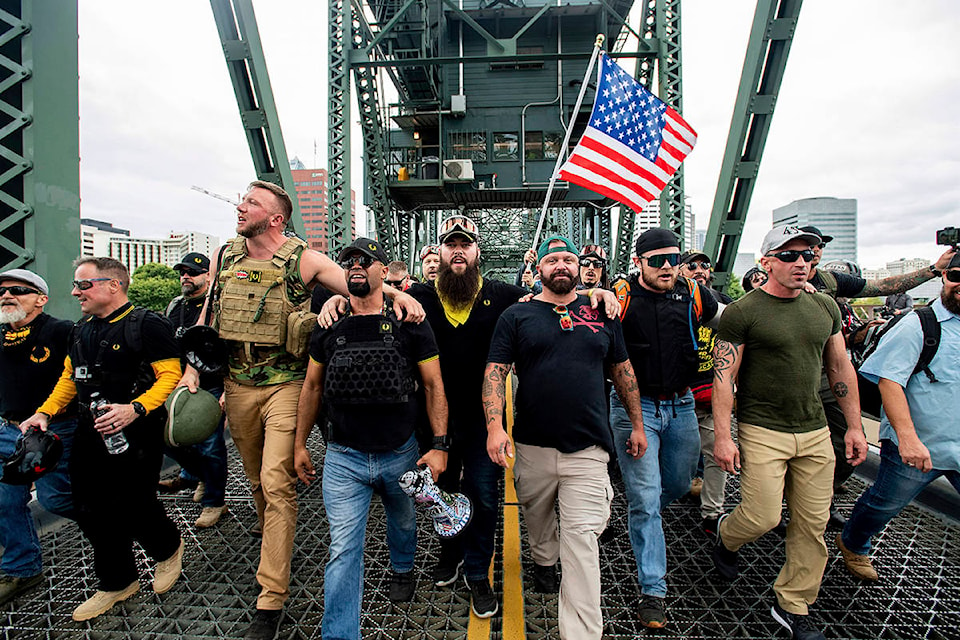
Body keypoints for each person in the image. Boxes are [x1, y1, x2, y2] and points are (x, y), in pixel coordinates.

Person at [316, 215, 619, 618]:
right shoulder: (416, 296)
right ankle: (450, 552)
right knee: (438, 495)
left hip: (481, 420)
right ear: (439, 252)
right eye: (450, 244)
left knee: (482, 495)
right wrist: (337, 299)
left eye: (466, 244)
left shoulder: (507, 296)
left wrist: (597, 292)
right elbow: (364, 297)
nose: (458, 250)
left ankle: (478, 571)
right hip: (432, 419)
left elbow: (554, 298)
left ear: (478, 252)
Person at [176, 180, 423, 639]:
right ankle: (268, 531)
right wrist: (192, 370)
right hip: (237, 381)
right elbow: (208, 314)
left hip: (284, 383)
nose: (239, 205)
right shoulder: (225, 255)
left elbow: (355, 281)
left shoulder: (301, 257)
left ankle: (269, 599)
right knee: (256, 482)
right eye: (241, 198)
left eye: (251, 202)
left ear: (276, 217)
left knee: (276, 483)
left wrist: (396, 294)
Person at [711, 226, 869, 640]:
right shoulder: (743, 312)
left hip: (815, 430)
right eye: (789, 255)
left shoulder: (825, 309)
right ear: (766, 263)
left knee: (811, 525)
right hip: (763, 429)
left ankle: (793, 604)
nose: (801, 263)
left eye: (808, 255)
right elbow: (724, 377)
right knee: (761, 517)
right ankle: (728, 536)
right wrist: (724, 436)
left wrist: (854, 426)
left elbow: (839, 367)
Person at [483, 236, 645, 640]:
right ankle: (542, 560)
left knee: (582, 543)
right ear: (537, 269)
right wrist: (494, 425)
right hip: (534, 446)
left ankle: (582, 634)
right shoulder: (516, 317)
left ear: (579, 268)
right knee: (538, 525)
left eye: (568, 259)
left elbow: (623, 371)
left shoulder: (601, 311)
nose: (561, 265)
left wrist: (638, 424)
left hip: (589, 450)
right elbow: (494, 373)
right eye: (552, 259)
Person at [294, 238, 448, 640]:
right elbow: (312, 387)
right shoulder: (329, 325)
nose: (356, 265)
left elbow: (433, 385)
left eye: (366, 260)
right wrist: (298, 445)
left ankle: (402, 567)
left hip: (400, 452)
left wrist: (440, 445)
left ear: (384, 270)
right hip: (344, 457)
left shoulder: (411, 323)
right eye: (349, 261)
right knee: (344, 549)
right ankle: (340, 635)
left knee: (403, 521)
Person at [21, 257, 184, 622]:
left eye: (84, 284)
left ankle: (167, 547)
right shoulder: (81, 330)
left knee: (136, 502)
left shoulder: (146, 324)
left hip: (137, 432)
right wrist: (44, 412)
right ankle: (117, 581)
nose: (76, 292)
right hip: (90, 431)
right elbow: (69, 378)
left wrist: (135, 409)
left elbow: (169, 375)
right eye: (76, 285)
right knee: (90, 506)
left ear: (113, 285)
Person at [799, 224, 956, 529]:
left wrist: (934, 270)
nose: (812, 252)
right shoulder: (773, 280)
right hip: (787, 379)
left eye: (817, 246)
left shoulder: (830, 281)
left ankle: (822, 502)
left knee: (845, 444)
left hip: (827, 376)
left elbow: (883, 287)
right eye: (802, 247)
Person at [608, 228, 720, 628]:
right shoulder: (620, 298)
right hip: (633, 410)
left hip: (683, 405)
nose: (668, 267)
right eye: (657, 260)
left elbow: (732, 321)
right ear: (639, 262)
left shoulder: (693, 294)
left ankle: (638, 508)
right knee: (646, 500)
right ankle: (653, 591)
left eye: (674, 259)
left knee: (675, 483)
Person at [836, 255, 960, 582]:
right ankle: (854, 543)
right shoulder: (919, 324)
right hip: (920, 444)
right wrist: (907, 438)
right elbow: (890, 379)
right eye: (956, 275)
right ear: (944, 276)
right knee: (883, 505)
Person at [0, 269, 77, 605]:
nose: (6, 296)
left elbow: (79, 377)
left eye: (18, 290)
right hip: (8, 429)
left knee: (55, 500)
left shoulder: (60, 330)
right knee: (4, 500)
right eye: (1, 292)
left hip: (53, 430)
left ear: (41, 299)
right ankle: (22, 567)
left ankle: (122, 522)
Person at [160, 252, 229, 529]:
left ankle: (214, 501)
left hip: (211, 384)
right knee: (171, 437)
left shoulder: (219, 306)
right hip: (179, 384)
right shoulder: (175, 306)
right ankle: (194, 475)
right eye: (182, 272)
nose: (185, 276)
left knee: (210, 445)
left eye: (193, 272)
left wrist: (227, 390)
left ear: (208, 276)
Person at [679, 250, 732, 537]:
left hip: (709, 391)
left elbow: (752, 320)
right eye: (692, 265)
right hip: (675, 394)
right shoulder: (673, 301)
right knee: (677, 459)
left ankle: (713, 513)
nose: (700, 270)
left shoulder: (723, 303)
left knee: (717, 454)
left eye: (705, 266)